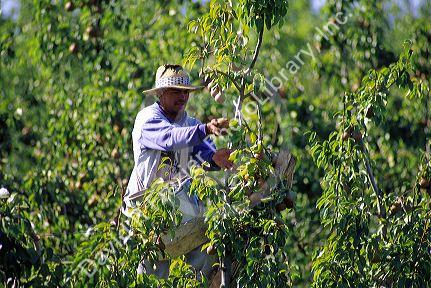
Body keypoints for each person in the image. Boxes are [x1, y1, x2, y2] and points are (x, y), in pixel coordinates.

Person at [122, 64, 233, 280]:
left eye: (185, 92)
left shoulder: (188, 123)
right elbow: (171, 138)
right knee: (153, 278)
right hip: (146, 211)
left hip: (178, 209)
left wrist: (220, 158)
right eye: (176, 91)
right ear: (161, 93)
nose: (182, 97)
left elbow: (205, 154)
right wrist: (206, 129)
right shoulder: (147, 119)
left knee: (207, 258)